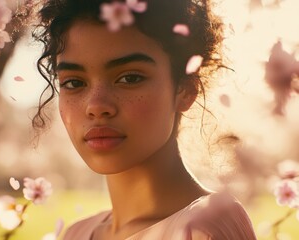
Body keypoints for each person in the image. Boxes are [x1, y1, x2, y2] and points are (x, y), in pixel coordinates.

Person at [32, 0, 257, 239]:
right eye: (74, 83)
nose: (96, 106)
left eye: (129, 78)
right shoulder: (76, 234)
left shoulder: (205, 227)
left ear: (185, 90)